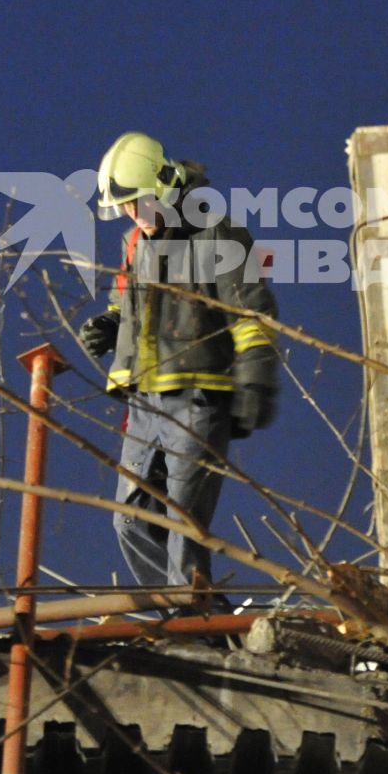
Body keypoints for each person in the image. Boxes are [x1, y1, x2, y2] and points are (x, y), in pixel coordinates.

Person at [78, 132, 279, 590]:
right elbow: (123, 301)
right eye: (124, 206)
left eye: (136, 202)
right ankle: (182, 614)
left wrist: (256, 379)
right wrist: (110, 326)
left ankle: (194, 624)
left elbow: (250, 312)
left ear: (163, 186)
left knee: (183, 523)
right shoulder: (135, 245)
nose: (131, 214)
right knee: (129, 521)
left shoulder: (215, 233)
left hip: (197, 399)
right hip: (145, 402)